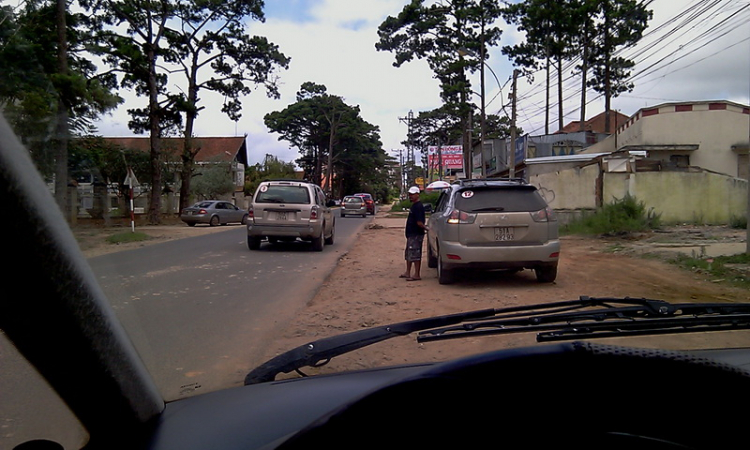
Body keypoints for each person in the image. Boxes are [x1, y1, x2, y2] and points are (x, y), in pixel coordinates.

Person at [400, 186, 428, 281]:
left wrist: (427, 229)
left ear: (417, 194)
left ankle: (416, 274)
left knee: (415, 254)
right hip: (411, 234)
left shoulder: (419, 207)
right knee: (409, 253)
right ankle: (407, 272)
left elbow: (420, 222)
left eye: (412, 194)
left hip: (416, 234)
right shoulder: (414, 205)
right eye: (410, 194)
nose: (410, 196)